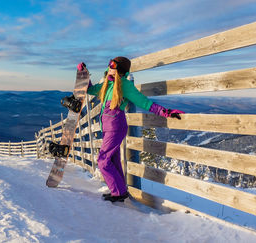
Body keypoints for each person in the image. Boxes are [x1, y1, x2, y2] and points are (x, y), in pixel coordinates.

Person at [77, 57, 185, 202]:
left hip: (116, 126)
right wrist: (84, 74)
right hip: (107, 127)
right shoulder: (107, 84)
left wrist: (166, 112)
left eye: (113, 64)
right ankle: (120, 191)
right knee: (113, 159)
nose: (109, 66)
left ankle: (119, 192)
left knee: (103, 160)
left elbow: (144, 102)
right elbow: (90, 90)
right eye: (109, 63)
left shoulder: (125, 85)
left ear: (120, 69)